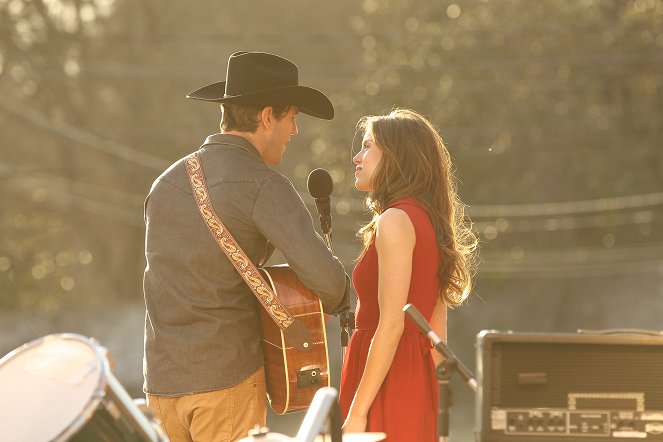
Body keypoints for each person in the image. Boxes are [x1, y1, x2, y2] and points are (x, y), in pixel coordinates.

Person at [142, 51, 349, 442]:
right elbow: (327, 281)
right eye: (292, 118)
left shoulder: (163, 184)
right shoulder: (263, 185)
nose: (295, 131)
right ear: (267, 116)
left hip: (159, 388)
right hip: (226, 382)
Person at [338, 109, 479, 441]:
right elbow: (437, 331)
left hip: (386, 379)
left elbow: (391, 324)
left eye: (368, 146)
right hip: (414, 379)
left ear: (397, 158)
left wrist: (358, 413)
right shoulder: (428, 221)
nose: (357, 157)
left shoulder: (395, 221)